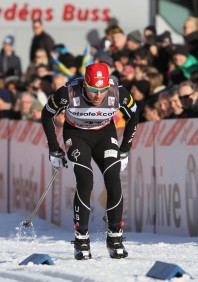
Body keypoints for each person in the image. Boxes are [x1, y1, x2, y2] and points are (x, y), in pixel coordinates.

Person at [41, 63, 139, 260]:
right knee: (86, 180)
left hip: (104, 134)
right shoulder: (67, 93)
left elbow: (134, 115)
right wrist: (54, 148)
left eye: (102, 90)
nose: (98, 96)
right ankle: (82, 238)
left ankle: (114, 236)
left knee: (113, 177)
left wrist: (125, 149)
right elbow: (46, 114)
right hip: (77, 135)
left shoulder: (118, 93)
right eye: (93, 89)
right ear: (85, 84)